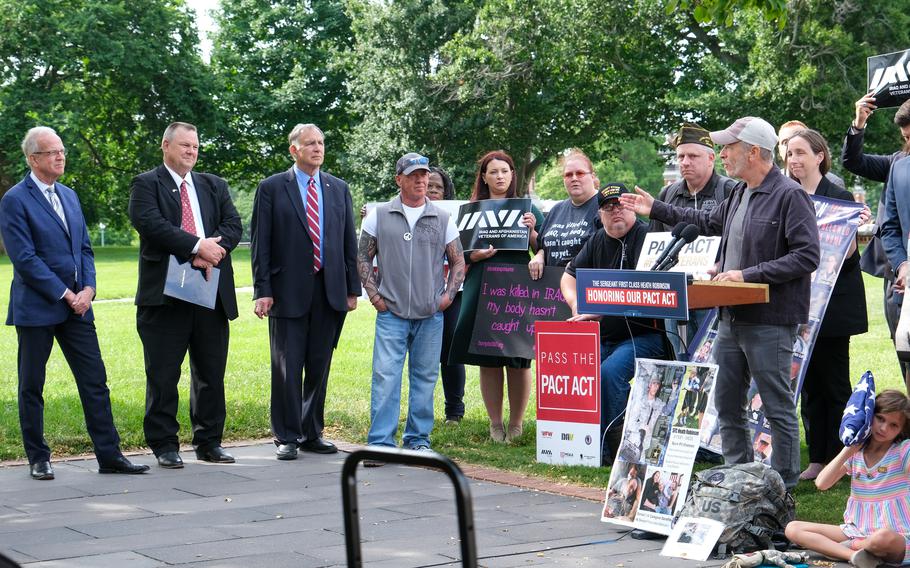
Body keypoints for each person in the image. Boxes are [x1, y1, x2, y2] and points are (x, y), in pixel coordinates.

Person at [621, 116, 820, 489]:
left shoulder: (789, 196)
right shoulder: (738, 193)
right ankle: (738, 478)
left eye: (728, 148)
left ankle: (782, 487)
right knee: (727, 405)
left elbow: (807, 256)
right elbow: (705, 220)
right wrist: (657, 209)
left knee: (776, 406)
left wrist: (748, 274)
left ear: (755, 152)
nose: (723, 154)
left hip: (769, 319)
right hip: (729, 318)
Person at [0, 127, 149, 480]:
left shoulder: (69, 196)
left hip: (79, 306)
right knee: (31, 384)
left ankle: (110, 455)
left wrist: (89, 289)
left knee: (95, 380)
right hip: (39, 307)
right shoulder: (15, 199)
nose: (60, 156)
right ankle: (38, 457)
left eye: (62, 150)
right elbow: (25, 258)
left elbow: (84, 249)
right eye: (52, 152)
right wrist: (65, 294)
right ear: (33, 159)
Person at [129, 122, 242, 469]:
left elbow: (233, 226)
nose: (191, 152)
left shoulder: (213, 185)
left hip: (211, 292)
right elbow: (149, 223)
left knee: (210, 371)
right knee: (163, 374)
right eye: (184, 146)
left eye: (195, 146)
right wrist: (196, 247)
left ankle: (209, 441)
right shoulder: (146, 184)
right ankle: (164, 444)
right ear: (165, 146)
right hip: (165, 296)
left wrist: (213, 252)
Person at [250, 124, 360, 461]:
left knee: (319, 364)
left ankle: (312, 431)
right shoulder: (271, 188)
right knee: (287, 365)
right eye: (310, 143)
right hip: (286, 292)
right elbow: (260, 242)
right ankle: (286, 435)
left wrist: (352, 288)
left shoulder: (337, 188)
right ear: (294, 150)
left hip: (329, 290)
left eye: (321, 143)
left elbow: (347, 243)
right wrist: (262, 290)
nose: (317, 148)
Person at [358, 152, 465, 455]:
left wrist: (447, 298)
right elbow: (363, 256)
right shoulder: (379, 215)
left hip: (430, 315)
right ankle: (380, 443)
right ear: (399, 180)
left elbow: (458, 261)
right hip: (390, 313)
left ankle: (418, 440)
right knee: (385, 377)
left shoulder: (442, 217)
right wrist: (374, 296)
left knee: (425, 378)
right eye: (414, 176)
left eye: (425, 175)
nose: (422, 180)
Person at [785, 128, 870, 480]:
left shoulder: (838, 196)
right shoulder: (788, 195)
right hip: (800, 303)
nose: (794, 160)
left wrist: (852, 231)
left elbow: (849, 258)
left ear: (820, 156)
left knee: (834, 384)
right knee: (808, 383)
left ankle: (842, 459)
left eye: (801, 152)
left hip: (834, 306)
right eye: (789, 153)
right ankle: (817, 458)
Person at [560, 183, 666, 458]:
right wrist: (576, 304)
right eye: (608, 207)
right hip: (604, 336)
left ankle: (610, 450)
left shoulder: (649, 236)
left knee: (608, 373)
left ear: (632, 208)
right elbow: (568, 277)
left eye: (621, 205)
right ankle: (577, 447)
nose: (615, 211)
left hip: (647, 337)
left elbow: (655, 290)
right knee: (575, 370)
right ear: (600, 214)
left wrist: (603, 309)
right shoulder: (596, 240)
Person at [449, 151, 542, 443]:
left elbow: (545, 247)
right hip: (482, 286)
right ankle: (495, 423)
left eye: (505, 170)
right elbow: (456, 254)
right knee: (488, 358)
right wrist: (473, 255)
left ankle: (516, 424)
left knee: (519, 359)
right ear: (484, 177)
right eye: (493, 171)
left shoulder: (527, 209)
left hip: (516, 289)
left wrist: (532, 234)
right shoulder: (471, 210)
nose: (500, 176)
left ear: (513, 174)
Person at [785, 390, 910, 568]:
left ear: (901, 430)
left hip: (897, 535)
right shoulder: (856, 454)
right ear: (869, 416)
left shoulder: (902, 451)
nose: (884, 428)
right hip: (856, 530)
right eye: (880, 418)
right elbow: (821, 483)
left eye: (893, 425)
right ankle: (854, 556)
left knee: (882, 538)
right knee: (793, 528)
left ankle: (854, 547)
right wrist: (849, 450)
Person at [652, 124, 737, 354]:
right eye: (680, 156)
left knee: (716, 361)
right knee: (681, 358)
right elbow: (655, 243)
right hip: (677, 299)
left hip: (717, 299)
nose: (685, 162)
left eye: (693, 156)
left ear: (711, 158)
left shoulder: (731, 191)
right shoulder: (667, 195)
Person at [846, 96, 910, 381]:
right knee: (904, 353)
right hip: (898, 276)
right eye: (907, 137)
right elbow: (853, 160)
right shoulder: (896, 164)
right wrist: (859, 122)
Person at [427, 166, 468, 425]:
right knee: (421, 353)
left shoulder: (458, 216)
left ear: (447, 192)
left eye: (437, 187)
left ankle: (454, 410)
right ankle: (421, 410)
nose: (431, 190)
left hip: (453, 293)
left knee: (450, 352)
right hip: (417, 293)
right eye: (427, 184)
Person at [528, 148, 600, 276]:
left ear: (593, 176)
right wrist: (539, 255)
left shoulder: (605, 206)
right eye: (568, 175)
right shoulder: (557, 210)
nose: (574, 178)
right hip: (552, 288)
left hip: (587, 286)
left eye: (580, 173)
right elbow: (542, 247)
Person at [778, 120, 845, 188]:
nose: (792, 144)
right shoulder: (772, 181)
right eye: (785, 142)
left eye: (800, 140)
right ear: (779, 149)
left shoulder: (833, 183)